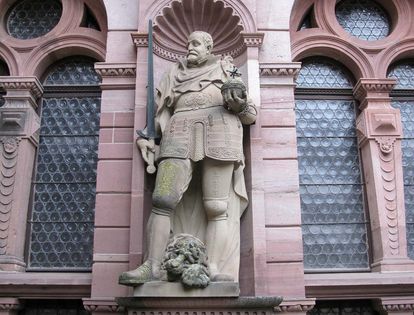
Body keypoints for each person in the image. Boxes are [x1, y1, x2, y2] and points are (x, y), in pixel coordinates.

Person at [119, 31, 256, 285]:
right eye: (187, 43)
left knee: (217, 207)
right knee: (162, 200)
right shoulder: (173, 73)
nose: (189, 47)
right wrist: (147, 137)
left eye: (195, 43)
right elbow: (160, 113)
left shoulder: (228, 68)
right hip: (178, 133)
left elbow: (250, 114)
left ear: (209, 46)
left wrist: (239, 105)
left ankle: (213, 267)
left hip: (220, 133)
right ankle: (153, 265)